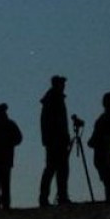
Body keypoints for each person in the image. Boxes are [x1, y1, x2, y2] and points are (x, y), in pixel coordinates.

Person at [39, 74, 72, 207]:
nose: (64, 87)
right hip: (55, 140)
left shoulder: (53, 99)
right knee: (55, 169)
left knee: (55, 169)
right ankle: (58, 196)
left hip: (55, 140)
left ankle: (59, 196)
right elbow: (54, 122)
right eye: (62, 84)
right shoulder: (54, 100)